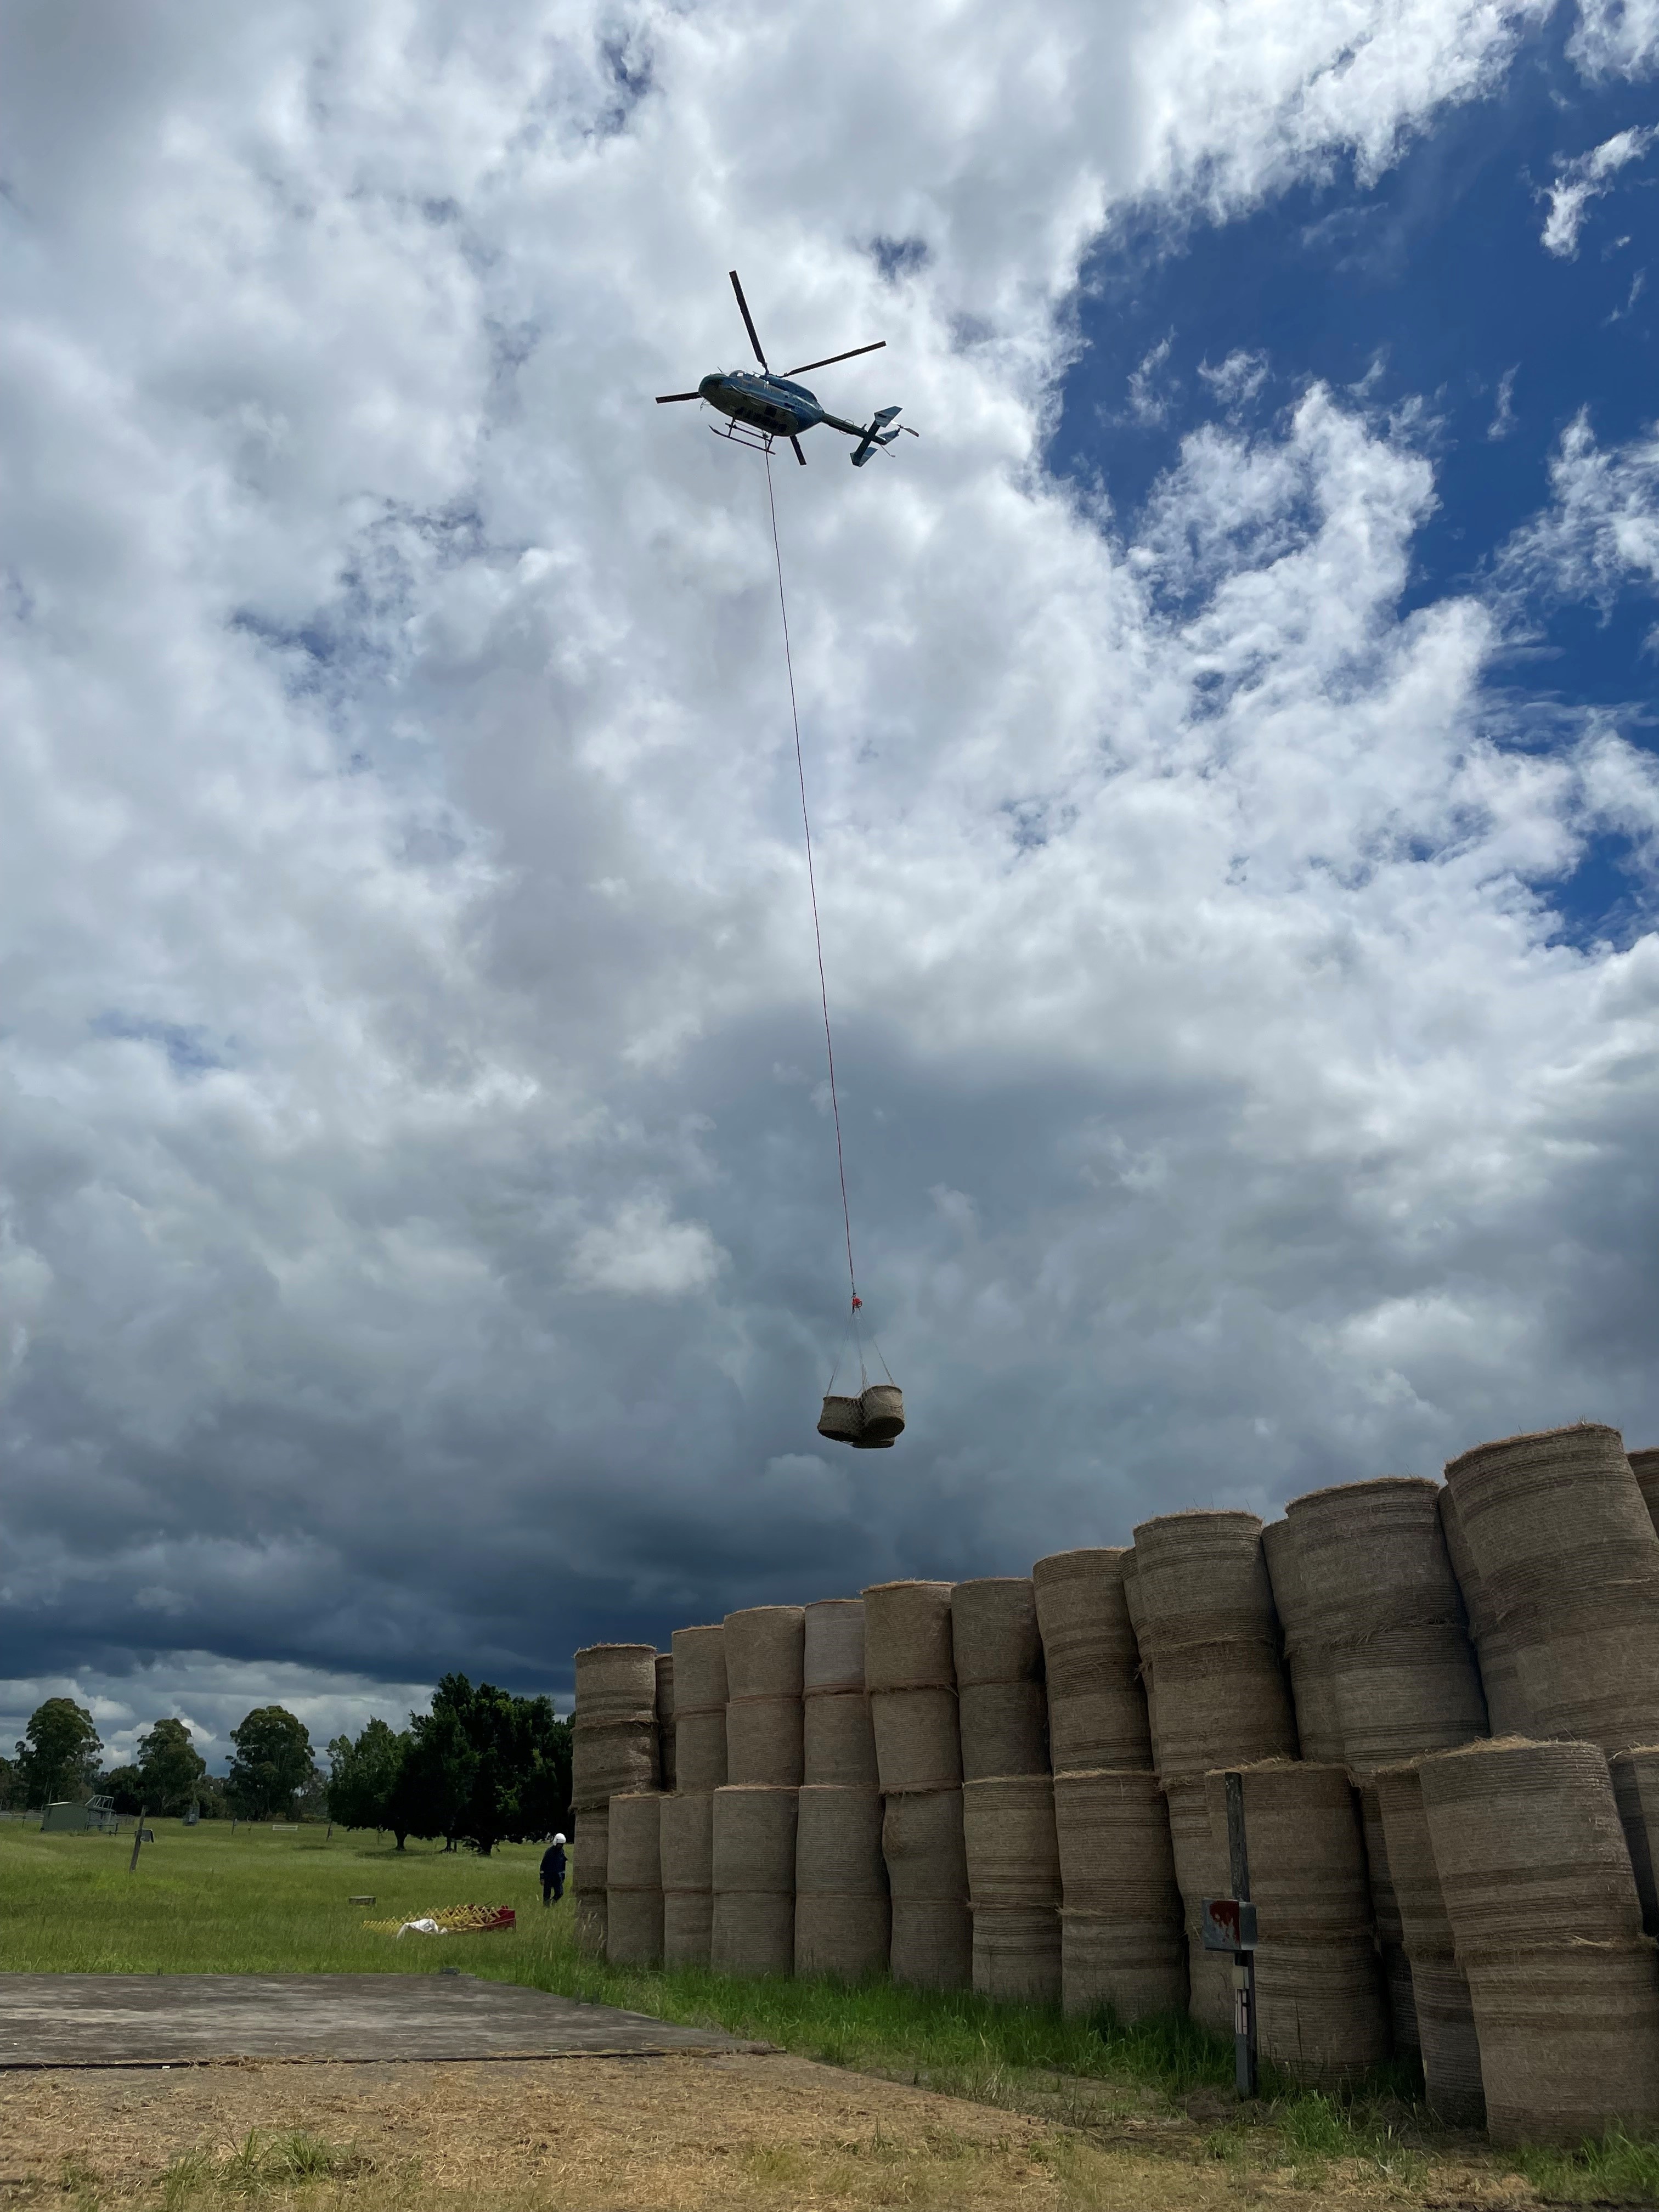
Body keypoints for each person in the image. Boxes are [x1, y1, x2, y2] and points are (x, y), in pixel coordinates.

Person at [540, 1832, 567, 1906]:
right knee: (546, 1895)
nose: (560, 1846)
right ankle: (546, 1907)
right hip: (548, 1876)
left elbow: (563, 1865)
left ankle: (552, 1903)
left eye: (562, 1845)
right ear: (556, 1843)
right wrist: (542, 1878)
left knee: (560, 1893)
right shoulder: (549, 1852)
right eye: (559, 1844)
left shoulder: (562, 1852)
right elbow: (543, 1865)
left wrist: (563, 1876)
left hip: (558, 1877)